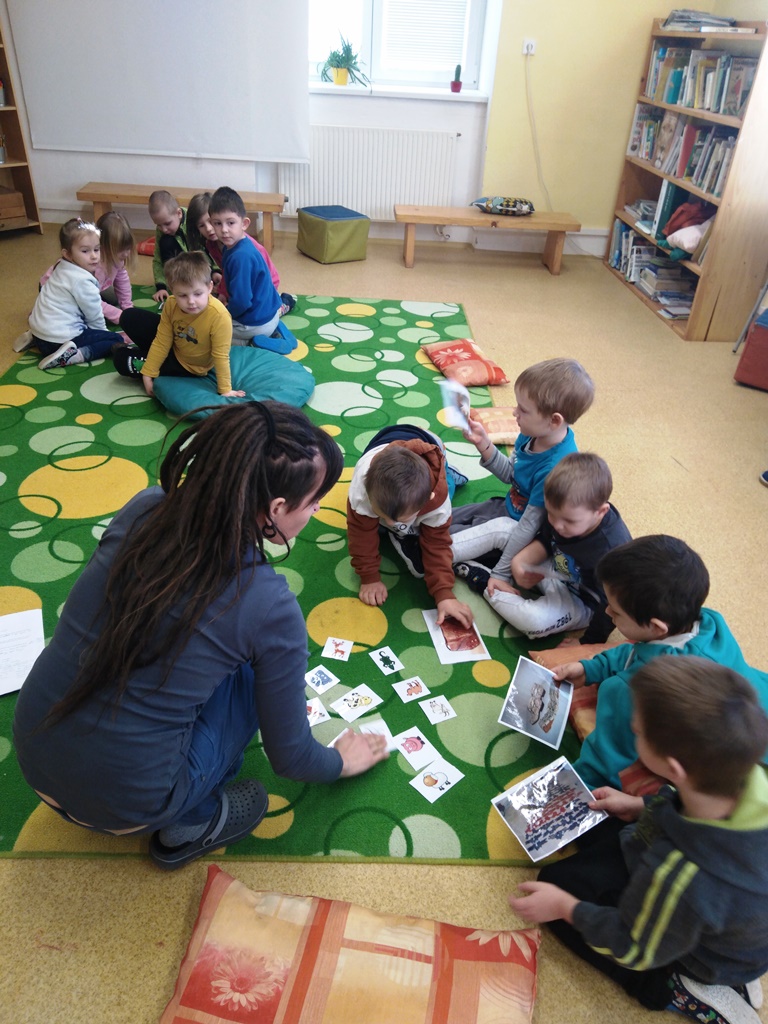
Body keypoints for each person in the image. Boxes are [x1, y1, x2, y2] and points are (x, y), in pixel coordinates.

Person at [12, 402, 389, 870]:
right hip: (128, 807)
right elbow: (291, 758)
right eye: (314, 502)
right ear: (275, 509)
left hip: (32, 747)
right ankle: (192, 821)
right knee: (253, 679)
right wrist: (341, 761)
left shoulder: (145, 505)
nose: (315, 510)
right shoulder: (270, 605)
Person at [510, 656, 768, 1024]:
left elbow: (632, 946)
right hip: (736, 927)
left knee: (554, 885)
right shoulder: (748, 775)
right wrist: (639, 805)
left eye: (638, 732)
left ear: (673, 767)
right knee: (595, 817)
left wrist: (565, 908)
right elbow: (680, 802)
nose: (633, 732)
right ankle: (734, 959)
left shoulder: (681, 873)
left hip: (694, 954)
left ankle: (673, 988)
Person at [552, 535, 768, 789]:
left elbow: (605, 756)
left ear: (656, 627)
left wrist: (576, 786)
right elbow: (640, 651)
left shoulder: (631, 689)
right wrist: (590, 668)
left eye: (616, 611)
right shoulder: (709, 621)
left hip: (743, 763)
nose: (607, 612)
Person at [460, 453, 631, 644]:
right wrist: (521, 561)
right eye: (551, 514)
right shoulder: (566, 514)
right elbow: (547, 537)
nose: (557, 525)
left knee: (534, 621)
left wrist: (587, 644)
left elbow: (611, 604)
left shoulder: (612, 549)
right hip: (552, 567)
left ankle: (479, 576)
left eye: (569, 521)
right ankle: (443, 552)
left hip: (581, 600)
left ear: (601, 512)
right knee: (502, 527)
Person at [450, 358, 594, 581]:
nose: (515, 413)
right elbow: (511, 474)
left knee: (443, 539)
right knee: (445, 518)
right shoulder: (532, 434)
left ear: (554, 421)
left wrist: (501, 573)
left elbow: (528, 526)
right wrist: (484, 443)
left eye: (523, 410)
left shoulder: (554, 469)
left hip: (517, 533)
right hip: (504, 507)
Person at [347, 424, 472, 628]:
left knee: (447, 487)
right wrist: (369, 578)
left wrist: (444, 593)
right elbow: (359, 533)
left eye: (401, 519)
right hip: (383, 440)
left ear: (427, 500)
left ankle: (450, 474)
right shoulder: (361, 487)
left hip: (431, 443)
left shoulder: (436, 501)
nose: (390, 524)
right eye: (383, 516)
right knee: (378, 526)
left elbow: (438, 544)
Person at [114, 251, 245, 399]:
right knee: (128, 316)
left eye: (198, 294)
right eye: (182, 295)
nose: (191, 302)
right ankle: (143, 354)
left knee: (121, 360)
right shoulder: (171, 303)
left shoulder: (219, 316)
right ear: (172, 290)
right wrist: (148, 373)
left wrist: (225, 389)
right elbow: (162, 341)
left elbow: (220, 356)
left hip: (187, 366)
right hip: (174, 344)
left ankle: (134, 352)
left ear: (209, 287)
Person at [17, 218, 121, 370]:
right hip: (58, 342)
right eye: (85, 251)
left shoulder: (60, 266)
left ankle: (35, 338)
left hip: (40, 332)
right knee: (115, 339)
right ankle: (73, 355)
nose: (94, 256)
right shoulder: (83, 281)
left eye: (97, 249)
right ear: (68, 254)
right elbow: (94, 314)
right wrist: (102, 335)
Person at [208, 186, 290, 353]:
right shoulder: (234, 246)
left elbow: (242, 302)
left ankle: (255, 343)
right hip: (271, 313)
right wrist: (223, 293)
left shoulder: (241, 257)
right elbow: (227, 278)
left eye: (230, 223)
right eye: (217, 223)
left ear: (244, 224)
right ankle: (274, 331)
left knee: (211, 333)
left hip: (257, 323)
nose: (224, 230)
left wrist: (225, 313)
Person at [187, 191, 295, 314]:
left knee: (259, 312)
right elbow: (227, 271)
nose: (209, 229)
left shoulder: (244, 248)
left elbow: (254, 284)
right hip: (243, 281)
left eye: (210, 222)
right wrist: (223, 292)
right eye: (202, 225)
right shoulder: (211, 244)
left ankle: (283, 304)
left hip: (266, 284)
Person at [38, 211, 136, 325]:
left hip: (87, 288)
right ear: (103, 246)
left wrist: (127, 307)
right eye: (120, 250)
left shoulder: (114, 258)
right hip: (54, 290)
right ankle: (43, 311)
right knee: (80, 315)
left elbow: (122, 280)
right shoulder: (91, 264)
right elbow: (92, 300)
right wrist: (120, 317)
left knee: (113, 298)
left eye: (128, 248)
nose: (126, 254)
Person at [149, 190, 190, 304]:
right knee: (166, 242)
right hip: (180, 264)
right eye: (159, 225)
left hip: (199, 263)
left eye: (167, 224)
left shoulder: (192, 220)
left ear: (179, 213)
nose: (164, 229)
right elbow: (158, 257)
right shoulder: (163, 230)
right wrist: (161, 286)